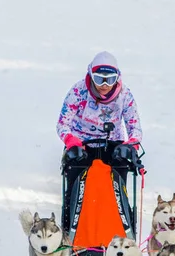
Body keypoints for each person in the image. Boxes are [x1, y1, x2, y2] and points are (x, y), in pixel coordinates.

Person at [56, 51, 143, 231]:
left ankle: (122, 230)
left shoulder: (125, 95)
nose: (104, 85)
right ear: (90, 75)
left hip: (113, 143)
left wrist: (131, 144)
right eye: (99, 79)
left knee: (119, 173)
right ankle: (71, 229)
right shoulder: (78, 91)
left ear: (117, 78)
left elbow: (135, 128)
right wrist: (71, 141)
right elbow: (63, 124)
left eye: (109, 79)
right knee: (76, 178)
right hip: (82, 144)